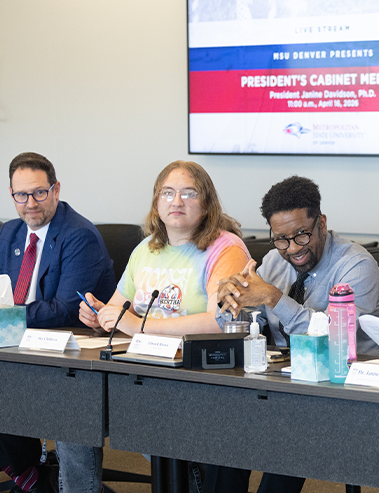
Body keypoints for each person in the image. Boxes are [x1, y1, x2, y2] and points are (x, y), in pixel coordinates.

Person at [64, 160, 250, 493]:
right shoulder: (146, 248)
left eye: (188, 193)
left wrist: (139, 328)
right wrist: (99, 316)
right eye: (167, 193)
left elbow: (219, 322)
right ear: (156, 202)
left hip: (192, 371)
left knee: (143, 418)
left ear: (207, 203)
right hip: (138, 365)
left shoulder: (226, 248)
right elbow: (119, 308)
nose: (176, 201)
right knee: (71, 406)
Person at [206, 175, 379, 493]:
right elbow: (250, 325)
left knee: (292, 432)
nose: (292, 249)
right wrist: (229, 302)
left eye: (301, 236)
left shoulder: (356, 266)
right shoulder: (273, 261)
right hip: (283, 388)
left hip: (346, 393)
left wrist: (272, 297)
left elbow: (335, 339)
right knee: (225, 428)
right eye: (281, 239)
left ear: (322, 223)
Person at [0, 151, 113, 492]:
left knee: (65, 412)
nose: (30, 203)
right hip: (17, 345)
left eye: (39, 192)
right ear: (11, 194)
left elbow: (64, 308)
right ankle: (27, 472)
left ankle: (38, 475)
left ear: (56, 189)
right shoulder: (9, 233)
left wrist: (6, 320)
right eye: (21, 194)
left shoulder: (79, 235)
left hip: (70, 356)